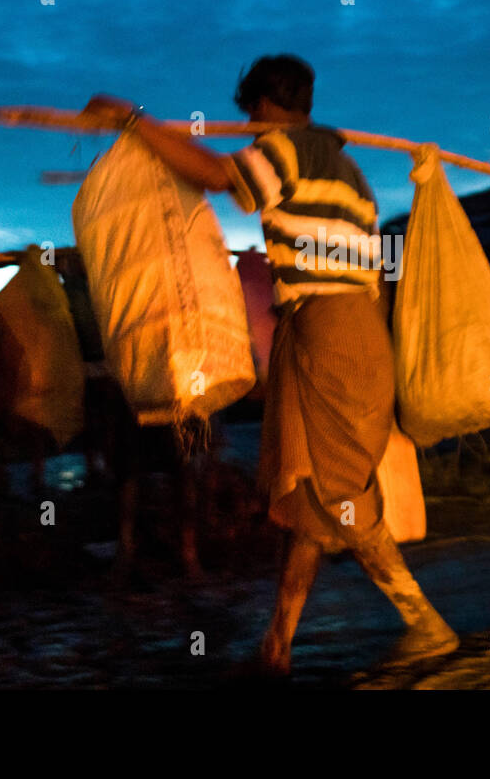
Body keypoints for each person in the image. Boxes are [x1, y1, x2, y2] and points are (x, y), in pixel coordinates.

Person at [94, 55, 457, 674]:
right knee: (309, 489)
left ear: (260, 105)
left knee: (339, 490)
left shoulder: (285, 150)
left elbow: (218, 179)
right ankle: (278, 645)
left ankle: (426, 622)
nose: (250, 123)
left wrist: (133, 121)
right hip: (351, 328)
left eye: (251, 112)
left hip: (328, 328)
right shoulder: (349, 171)